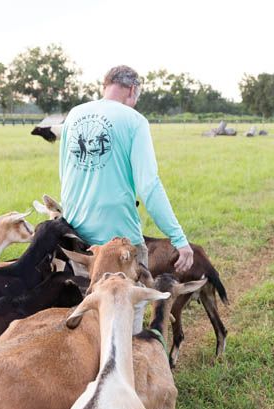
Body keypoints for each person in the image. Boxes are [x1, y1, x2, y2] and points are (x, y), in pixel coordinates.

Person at [59, 64, 193, 332]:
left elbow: (65, 173)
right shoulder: (134, 121)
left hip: (76, 238)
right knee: (124, 328)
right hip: (120, 245)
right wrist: (179, 239)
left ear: (105, 85)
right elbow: (149, 185)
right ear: (132, 90)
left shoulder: (75, 115)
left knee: (88, 323)